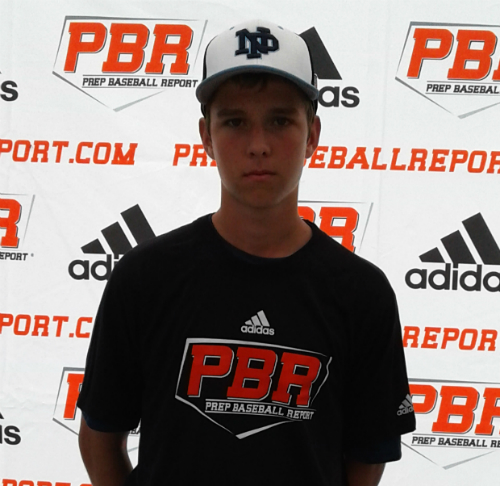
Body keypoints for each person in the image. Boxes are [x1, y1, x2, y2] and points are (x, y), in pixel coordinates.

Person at [77, 19, 416, 486]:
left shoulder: (361, 292)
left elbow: (368, 456)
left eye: (280, 121)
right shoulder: (145, 278)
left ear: (312, 135)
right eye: (235, 122)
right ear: (206, 136)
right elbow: (99, 437)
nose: (258, 146)